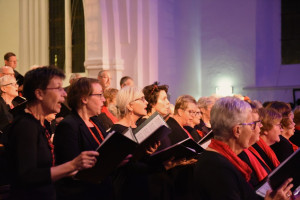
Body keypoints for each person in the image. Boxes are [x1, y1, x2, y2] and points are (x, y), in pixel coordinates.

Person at [6, 66, 99, 200]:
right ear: (39, 94)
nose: (64, 93)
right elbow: (27, 176)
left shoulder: (39, 123)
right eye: (58, 88)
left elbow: (45, 169)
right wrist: (72, 164)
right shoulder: (25, 126)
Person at [192, 97, 293, 200]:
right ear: (237, 130)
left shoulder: (221, 159)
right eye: (252, 125)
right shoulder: (216, 167)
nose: (257, 129)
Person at [53, 77, 113, 200]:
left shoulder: (96, 121)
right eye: (100, 95)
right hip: (81, 193)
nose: (104, 100)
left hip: (102, 190)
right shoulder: (68, 126)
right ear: (84, 98)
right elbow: (70, 169)